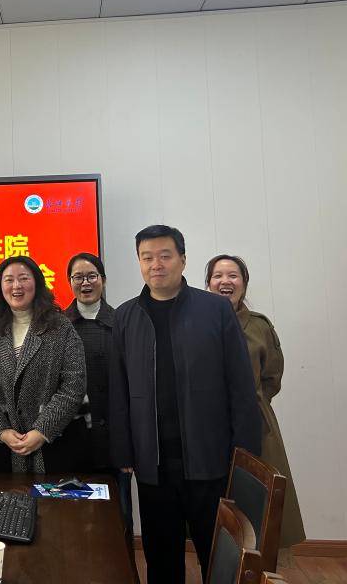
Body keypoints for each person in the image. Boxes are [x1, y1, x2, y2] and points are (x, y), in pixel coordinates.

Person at [110, 225, 261, 584]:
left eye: (165, 256)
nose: (156, 264)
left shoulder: (215, 310)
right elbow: (119, 389)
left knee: (219, 556)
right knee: (161, 557)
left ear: (183, 260)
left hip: (210, 459)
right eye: (147, 257)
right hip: (153, 463)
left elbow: (241, 387)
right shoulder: (126, 316)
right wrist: (124, 451)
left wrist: (244, 456)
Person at [206, 254, 306, 560]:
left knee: (258, 502)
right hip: (208, 426)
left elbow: (272, 378)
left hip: (256, 427)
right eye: (218, 276)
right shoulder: (196, 324)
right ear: (208, 284)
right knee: (213, 506)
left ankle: (258, 568)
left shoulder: (259, 326)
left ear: (244, 283)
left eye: (233, 275)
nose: (225, 281)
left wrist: (249, 405)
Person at [0, 255, 86, 473]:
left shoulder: (60, 326)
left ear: (37, 282)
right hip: (4, 449)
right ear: (0, 287)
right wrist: (1, 431)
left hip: (53, 444)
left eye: (23, 278)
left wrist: (42, 430)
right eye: (9, 280)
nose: (16, 286)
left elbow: (73, 385)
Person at [63, 252, 133, 537]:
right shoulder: (59, 325)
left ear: (103, 280)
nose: (85, 283)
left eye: (91, 276)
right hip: (73, 439)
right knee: (73, 522)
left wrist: (128, 446)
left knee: (117, 519)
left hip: (114, 440)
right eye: (78, 277)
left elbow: (133, 389)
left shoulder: (122, 322)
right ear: (69, 282)